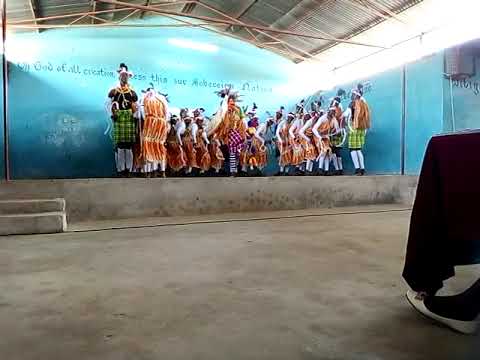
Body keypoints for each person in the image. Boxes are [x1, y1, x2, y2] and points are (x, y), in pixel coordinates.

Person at [107, 63, 139, 177]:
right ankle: (121, 170)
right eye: (123, 76)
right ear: (119, 77)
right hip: (119, 118)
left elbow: (135, 105)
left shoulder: (132, 92)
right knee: (120, 146)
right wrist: (113, 113)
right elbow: (109, 103)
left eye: (126, 76)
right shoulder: (114, 91)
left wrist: (134, 117)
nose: (124, 78)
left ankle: (129, 170)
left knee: (129, 146)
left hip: (129, 119)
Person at [207, 87, 246, 177]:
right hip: (225, 134)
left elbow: (242, 120)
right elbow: (219, 120)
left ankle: (234, 170)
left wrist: (243, 131)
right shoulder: (223, 109)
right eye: (229, 101)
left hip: (235, 132)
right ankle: (231, 170)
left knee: (235, 153)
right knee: (229, 153)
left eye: (233, 101)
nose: (231, 103)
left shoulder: (238, 110)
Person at [139, 86, 169, 178]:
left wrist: (148, 119)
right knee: (154, 147)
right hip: (158, 123)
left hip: (154, 123)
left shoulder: (146, 98)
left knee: (151, 147)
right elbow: (166, 113)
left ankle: (153, 171)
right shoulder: (157, 98)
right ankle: (154, 171)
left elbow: (142, 113)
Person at [345, 84, 371, 175]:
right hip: (362, 128)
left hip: (354, 127)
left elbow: (346, 114)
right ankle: (362, 169)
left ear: (356, 94)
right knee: (358, 149)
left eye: (353, 94)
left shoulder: (353, 103)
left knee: (353, 149)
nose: (351, 96)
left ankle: (357, 169)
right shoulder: (364, 102)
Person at [313, 107, 338, 176]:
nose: (333, 113)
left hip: (326, 137)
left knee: (328, 152)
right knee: (324, 151)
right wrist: (319, 137)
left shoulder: (333, 119)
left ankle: (326, 170)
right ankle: (320, 169)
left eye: (334, 112)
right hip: (319, 137)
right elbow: (314, 129)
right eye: (332, 111)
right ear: (328, 111)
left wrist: (333, 133)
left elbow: (337, 128)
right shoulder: (322, 118)